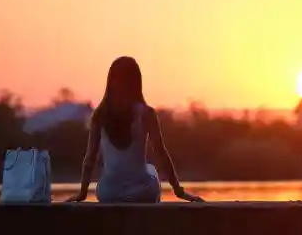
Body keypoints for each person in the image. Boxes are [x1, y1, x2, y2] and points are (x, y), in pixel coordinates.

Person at [66, 56, 204, 203]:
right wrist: (180, 192)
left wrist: (82, 193)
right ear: (137, 82)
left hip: (109, 193)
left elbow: (90, 159)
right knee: (151, 169)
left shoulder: (100, 114)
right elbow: (161, 154)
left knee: (117, 176)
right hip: (142, 192)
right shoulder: (146, 113)